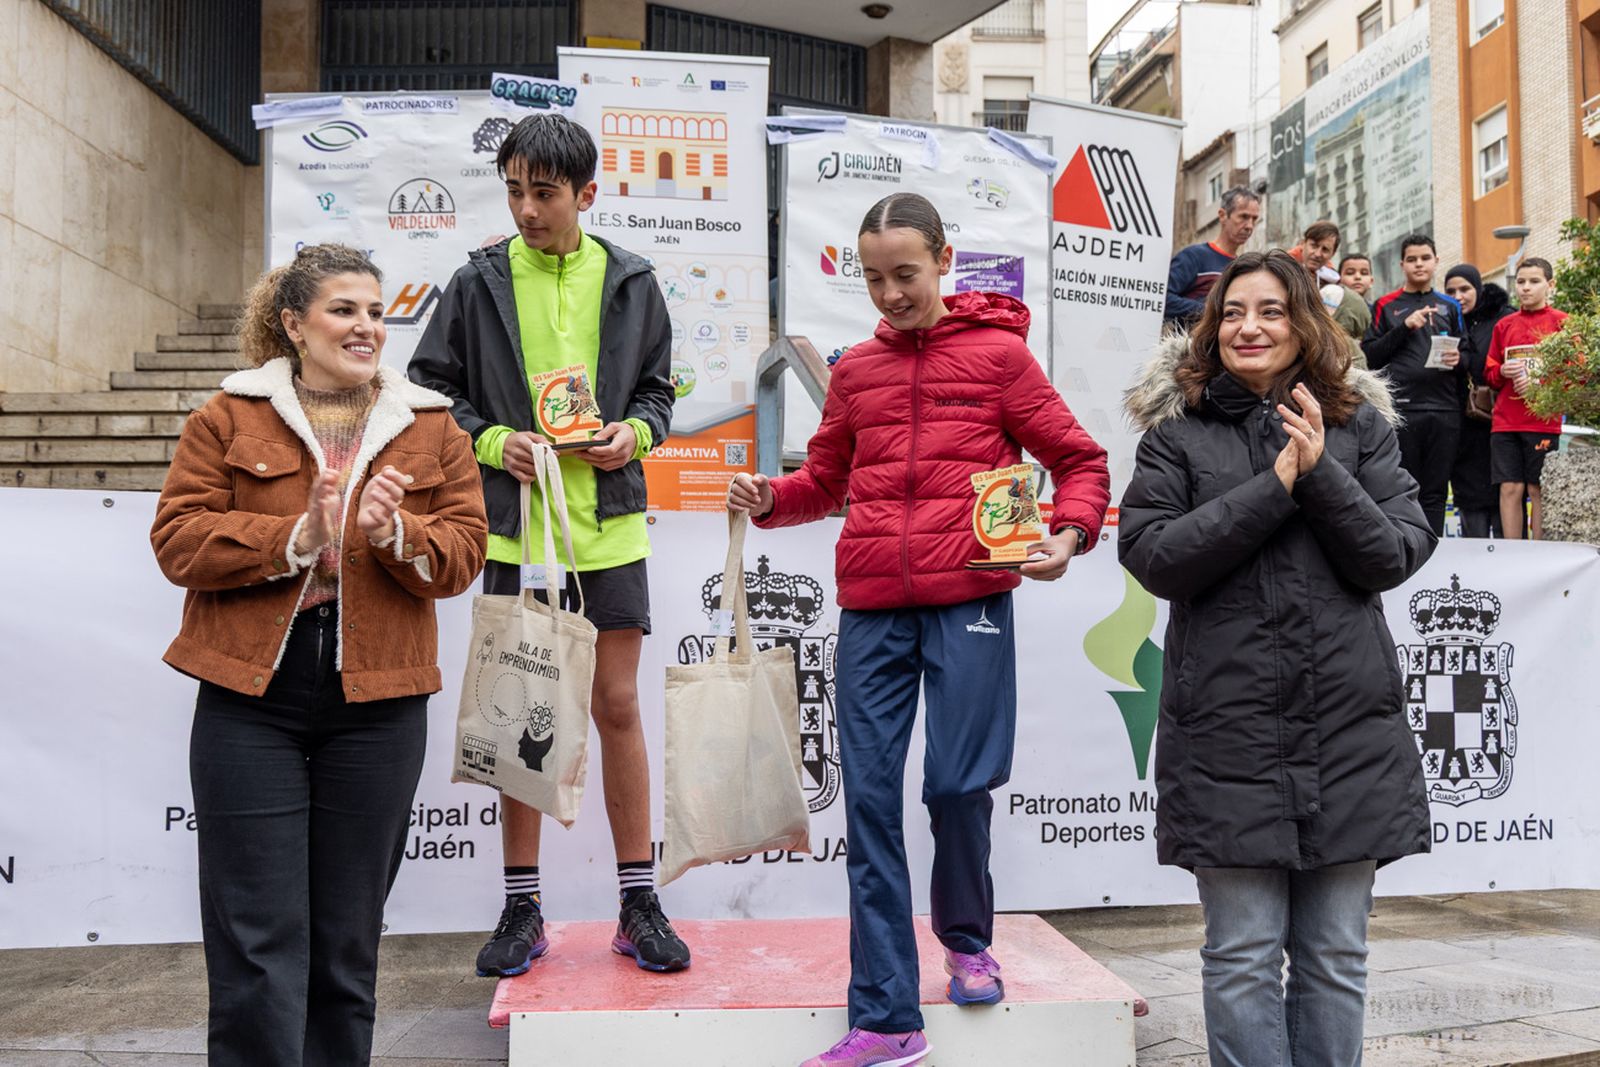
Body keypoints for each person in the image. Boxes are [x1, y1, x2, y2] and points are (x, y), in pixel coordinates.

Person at [728, 192, 1110, 1067]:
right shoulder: (858, 370)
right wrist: (771, 497)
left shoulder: (1000, 358)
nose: (891, 293)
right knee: (866, 804)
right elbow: (823, 481)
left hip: (971, 592)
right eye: (872, 278)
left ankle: (968, 940)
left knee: (954, 787)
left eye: (905, 273)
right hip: (871, 607)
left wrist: (1069, 532)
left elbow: (1081, 460)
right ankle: (888, 1017)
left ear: (945, 258)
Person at [151, 244, 489, 1065]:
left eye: (376, 311)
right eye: (345, 310)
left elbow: (465, 551)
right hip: (248, 698)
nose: (367, 326)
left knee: (345, 945)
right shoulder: (226, 416)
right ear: (294, 324)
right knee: (257, 943)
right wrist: (294, 537)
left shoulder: (433, 423)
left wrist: (396, 533)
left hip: (378, 700)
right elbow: (176, 540)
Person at [1119, 249, 1435, 1067]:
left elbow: (1392, 555)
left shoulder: (1361, 428)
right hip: (1228, 737)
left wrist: (1320, 472)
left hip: (1348, 736)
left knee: (1335, 956)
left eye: (1268, 310)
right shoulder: (1176, 435)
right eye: (1231, 312)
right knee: (1241, 954)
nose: (1248, 327)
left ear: (1304, 323)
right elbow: (1154, 557)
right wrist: (1274, 487)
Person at [407, 114, 687, 975]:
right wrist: (498, 445)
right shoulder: (477, 280)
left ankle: (638, 898)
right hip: (516, 529)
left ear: (586, 195)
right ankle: (522, 906)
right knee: (520, 710)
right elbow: (430, 392)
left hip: (609, 527)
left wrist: (633, 437)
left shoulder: (632, 278)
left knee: (617, 706)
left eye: (546, 193)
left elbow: (657, 391)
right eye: (516, 191)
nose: (528, 209)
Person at [1362, 234, 1467, 535]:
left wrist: (1459, 358)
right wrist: (1405, 328)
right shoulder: (1385, 305)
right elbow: (1370, 355)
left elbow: (1469, 354)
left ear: (1435, 261)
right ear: (1402, 264)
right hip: (1402, 409)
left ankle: (1432, 554)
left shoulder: (1450, 306)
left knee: (1436, 492)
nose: (1419, 264)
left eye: (1425, 258)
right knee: (1404, 487)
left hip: (1445, 410)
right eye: (1412, 259)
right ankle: (1407, 554)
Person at [1485, 257, 1569, 540]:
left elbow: (1577, 372)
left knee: (1538, 488)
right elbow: (1490, 373)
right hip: (1505, 422)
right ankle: (1513, 552)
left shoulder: (1563, 323)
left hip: (1543, 421)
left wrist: (1543, 378)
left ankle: (1539, 549)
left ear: (1550, 285)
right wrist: (1502, 370)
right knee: (1510, 488)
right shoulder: (1504, 325)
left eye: (1534, 281)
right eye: (1521, 282)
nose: (1526, 288)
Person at [1443, 263, 1515, 538]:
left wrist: (1464, 361)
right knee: (1469, 497)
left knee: (1502, 492)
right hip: (1461, 423)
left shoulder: (1502, 319)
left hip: (1496, 421)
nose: (1458, 296)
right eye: (1451, 291)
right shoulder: (1445, 320)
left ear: (1479, 289)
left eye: (1465, 289)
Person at [1165, 186, 1261, 328]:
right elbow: (1162, 299)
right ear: (1223, 215)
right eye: (1243, 217)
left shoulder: (1244, 268)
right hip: (1192, 346)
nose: (1249, 226)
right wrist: (1210, 310)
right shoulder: (1194, 256)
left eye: (1254, 219)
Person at [1289, 221, 1370, 366]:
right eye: (1314, 245)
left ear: (1332, 254)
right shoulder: (1284, 274)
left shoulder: (1333, 285)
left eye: (1325, 249)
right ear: (1303, 244)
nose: (1318, 254)